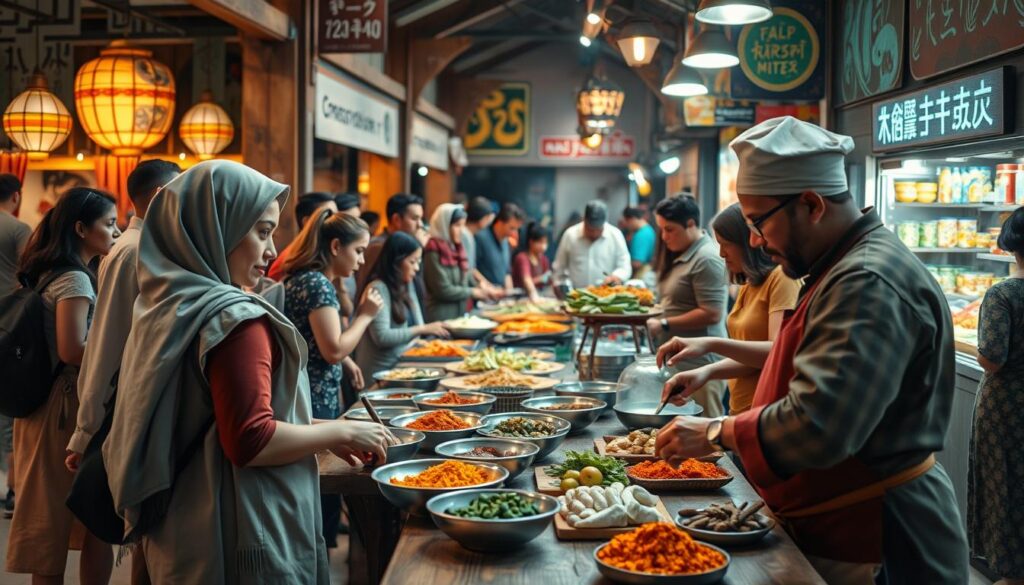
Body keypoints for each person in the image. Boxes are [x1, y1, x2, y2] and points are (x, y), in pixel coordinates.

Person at [655, 117, 968, 584]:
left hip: (881, 536)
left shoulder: (866, 281)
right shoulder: (837, 268)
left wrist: (717, 430)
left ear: (811, 204)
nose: (756, 241)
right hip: (837, 528)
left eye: (759, 223)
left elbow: (819, 424)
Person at [103, 160, 395, 583]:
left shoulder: (164, 304)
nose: (273, 250)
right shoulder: (237, 321)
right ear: (216, 228)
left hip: (181, 522)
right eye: (262, 231)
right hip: (236, 531)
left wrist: (323, 426)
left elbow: (223, 414)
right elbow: (250, 440)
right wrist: (342, 433)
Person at [64, 160, 179, 584]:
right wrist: (85, 428)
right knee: (124, 525)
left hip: (146, 405)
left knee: (148, 532)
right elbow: (105, 346)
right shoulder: (130, 252)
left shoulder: (160, 246)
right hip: (125, 406)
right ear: (159, 195)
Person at [7, 187, 121, 584]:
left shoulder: (52, 270)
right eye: (109, 224)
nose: (116, 232)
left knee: (70, 519)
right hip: (64, 405)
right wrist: (125, 353)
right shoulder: (75, 278)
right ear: (80, 228)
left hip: (51, 402)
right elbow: (73, 349)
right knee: (60, 523)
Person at [280, 208, 382, 550]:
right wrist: (366, 316)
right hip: (314, 394)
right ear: (336, 246)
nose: (362, 259)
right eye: (359, 250)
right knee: (320, 491)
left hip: (309, 390)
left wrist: (349, 361)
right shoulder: (317, 284)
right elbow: (333, 349)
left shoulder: (306, 279)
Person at [656, 203, 799, 415]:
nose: (721, 253)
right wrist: (706, 372)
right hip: (741, 407)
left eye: (726, 244)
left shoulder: (782, 279)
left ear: (748, 242)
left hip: (767, 410)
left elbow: (777, 352)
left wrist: (710, 344)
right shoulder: (749, 283)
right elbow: (751, 359)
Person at [969, 207, 1024, 585]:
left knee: (1004, 490)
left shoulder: (1003, 293)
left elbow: (991, 357)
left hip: (1006, 409)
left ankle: (1009, 573)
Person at [645, 195, 729, 418]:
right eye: (661, 229)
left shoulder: (707, 258)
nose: (664, 237)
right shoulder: (682, 253)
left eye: (669, 229)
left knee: (708, 434)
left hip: (701, 366)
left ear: (691, 224)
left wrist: (664, 323)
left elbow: (712, 313)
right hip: (681, 364)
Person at [354, 232, 451, 378]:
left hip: (404, 362)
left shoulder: (406, 283)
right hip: (381, 373)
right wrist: (422, 329)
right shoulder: (378, 288)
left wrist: (427, 332)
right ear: (396, 262)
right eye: (412, 262)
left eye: (418, 262)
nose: (417, 268)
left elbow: (419, 323)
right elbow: (382, 337)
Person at [0, 173, 31, 518]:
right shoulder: (18, 229)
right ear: (16, 196)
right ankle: (12, 490)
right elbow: (29, 272)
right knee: (10, 414)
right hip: (7, 324)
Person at [422, 203, 497, 322]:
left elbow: (466, 275)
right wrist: (473, 292)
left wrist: (480, 286)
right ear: (444, 225)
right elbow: (443, 290)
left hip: (459, 317)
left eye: (463, 225)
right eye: (457, 225)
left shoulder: (456, 248)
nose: (461, 231)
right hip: (441, 320)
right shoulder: (433, 250)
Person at [357, 193, 424, 296]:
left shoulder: (413, 245)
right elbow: (369, 288)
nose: (420, 224)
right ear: (396, 219)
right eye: (415, 219)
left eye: (421, 219)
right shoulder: (378, 247)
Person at [552, 200, 630, 288]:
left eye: (598, 230)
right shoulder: (570, 235)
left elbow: (625, 265)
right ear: (583, 219)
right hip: (576, 296)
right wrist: (558, 283)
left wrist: (616, 276)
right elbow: (559, 266)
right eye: (590, 229)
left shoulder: (615, 235)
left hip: (606, 295)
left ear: (605, 222)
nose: (594, 233)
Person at [266, 192, 338, 280]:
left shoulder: (319, 255)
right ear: (307, 222)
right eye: (328, 216)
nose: (336, 223)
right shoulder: (290, 262)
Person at [475, 202, 524, 291]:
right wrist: (489, 287)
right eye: (512, 228)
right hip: (483, 296)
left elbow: (507, 272)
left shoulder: (506, 242)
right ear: (500, 222)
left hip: (499, 298)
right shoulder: (480, 237)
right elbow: (471, 268)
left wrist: (509, 293)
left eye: (517, 229)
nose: (514, 233)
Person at [511, 222, 551, 302]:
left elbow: (549, 279)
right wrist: (534, 293)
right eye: (540, 242)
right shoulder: (522, 258)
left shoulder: (543, 259)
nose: (543, 246)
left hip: (538, 296)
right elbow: (526, 279)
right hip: (521, 299)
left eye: (545, 243)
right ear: (531, 242)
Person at [463, 196, 495, 287]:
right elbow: (468, 268)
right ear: (483, 219)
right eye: (488, 217)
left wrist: (487, 285)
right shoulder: (465, 236)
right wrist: (486, 286)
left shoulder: (470, 235)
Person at [623, 207, 656, 277]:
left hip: (642, 274)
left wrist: (622, 264)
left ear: (631, 219)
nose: (627, 226)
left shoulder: (641, 235)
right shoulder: (648, 230)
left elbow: (637, 263)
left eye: (626, 222)